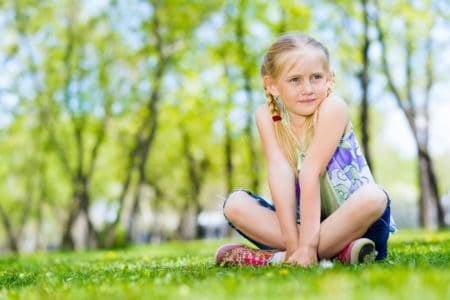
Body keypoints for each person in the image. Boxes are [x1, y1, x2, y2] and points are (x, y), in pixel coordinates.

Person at [215, 33, 396, 267]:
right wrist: (294, 243)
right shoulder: (267, 117)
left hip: (359, 224)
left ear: (330, 78)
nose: (307, 88)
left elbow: (310, 172)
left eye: (316, 77)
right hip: (303, 226)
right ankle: (334, 253)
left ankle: (276, 259)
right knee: (235, 204)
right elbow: (279, 173)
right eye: (295, 80)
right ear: (272, 85)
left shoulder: (333, 108)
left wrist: (309, 246)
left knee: (374, 196)